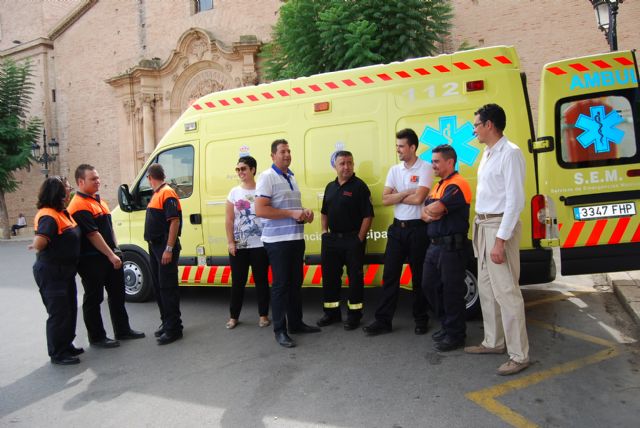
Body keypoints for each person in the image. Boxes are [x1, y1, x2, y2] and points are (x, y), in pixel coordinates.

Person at [465, 103, 530, 376]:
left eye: (476, 125)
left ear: (489, 125)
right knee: (487, 289)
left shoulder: (510, 153)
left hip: (498, 227)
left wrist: (500, 241)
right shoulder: (488, 153)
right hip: (484, 226)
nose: (474, 130)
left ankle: (519, 355)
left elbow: (515, 201)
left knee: (507, 292)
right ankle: (494, 341)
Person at [363, 128, 432, 336]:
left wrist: (398, 195)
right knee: (390, 276)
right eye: (397, 146)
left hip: (418, 230)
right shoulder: (395, 170)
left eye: (401, 146)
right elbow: (385, 199)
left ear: (412, 147)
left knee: (419, 277)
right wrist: (406, 192)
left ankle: (421, 319)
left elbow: (419, 199)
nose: (398, 150)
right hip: (397, 230)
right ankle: (383, 321)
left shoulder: (426, 168)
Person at [67, 164, 145, 348]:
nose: (98, 181)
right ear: (81, 181)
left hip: (110, 256)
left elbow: (109, 229)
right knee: (94, 298)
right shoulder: (78, 205)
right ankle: (97, 337)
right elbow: (93, 234)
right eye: (93, 179)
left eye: (98, 177)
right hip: (91, 260)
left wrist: (116, 250)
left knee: (117, 295)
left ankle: (122, 330)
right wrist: (111, 255)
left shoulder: (99, 201)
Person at [255, 139, 320, 348]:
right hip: (277, 242)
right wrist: (292, 213)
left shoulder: (291, 176)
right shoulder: (267, 177)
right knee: (281, 286)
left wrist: (304, 213)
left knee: (295, 285)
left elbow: (291, 208)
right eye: (282, 151)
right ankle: (280, 330)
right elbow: (260, 210)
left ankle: (296, 324)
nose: (287, 155)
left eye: (289, 151)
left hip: (295, 239)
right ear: (273, 155)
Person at [421, 145, 472, 352]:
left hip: (452, 248)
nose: (432, 165)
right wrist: (432, 211)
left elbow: (436, 208)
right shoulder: (438, 186)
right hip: (434, 247)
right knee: (429, 286)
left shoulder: (458, 184)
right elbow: (425, 214)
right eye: (432, 161)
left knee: (452, 292)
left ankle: (456, 335)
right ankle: (446, 325)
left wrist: (433, 210)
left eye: (436, 161)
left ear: (450, 162)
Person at [317, 151, 374, 330]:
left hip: (352, 239)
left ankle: (354, 316)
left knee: (355, 279)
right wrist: (324, 232)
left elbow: (368, 215)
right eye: (342, 163)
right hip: (332, 240)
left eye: (350, 163)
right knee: (330, 278)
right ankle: (331, 313)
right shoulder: (330, 187)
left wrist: (359, 238)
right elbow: (324, 212)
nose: (346, 167)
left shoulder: (359, 186)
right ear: (335, 166)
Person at [29, 177, 82, 365]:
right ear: (56, 191)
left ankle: (66, 344)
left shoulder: (62, 213)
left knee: (69, 309)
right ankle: (58, 353)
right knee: (58, 312)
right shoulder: (48, 216)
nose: (69, 190)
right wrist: (35, 243)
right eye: (67, 188)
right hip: (52, 272)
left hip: (64, 271)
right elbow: (40, 242)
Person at [225, 155, 271, 329]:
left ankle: (263, 315)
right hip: (240, 246)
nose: (240, 172)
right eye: (238, 169)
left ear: (253, 169)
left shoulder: (262, 190)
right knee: (238, 282)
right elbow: (229, 220)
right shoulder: (234, 193)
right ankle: (233, 317)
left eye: (243, 168)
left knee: (261, 282)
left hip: (260, 244)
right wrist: (231, 242)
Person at [144, 163, 184, 345]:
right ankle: (167, 322)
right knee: (160, 286)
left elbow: (174, 222)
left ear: (149, 178)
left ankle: (174, 329)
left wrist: (168, 249)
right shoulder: (158, 193)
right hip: (155, 247)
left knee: (168, 288)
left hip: (164, 247)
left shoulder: (167, 193)